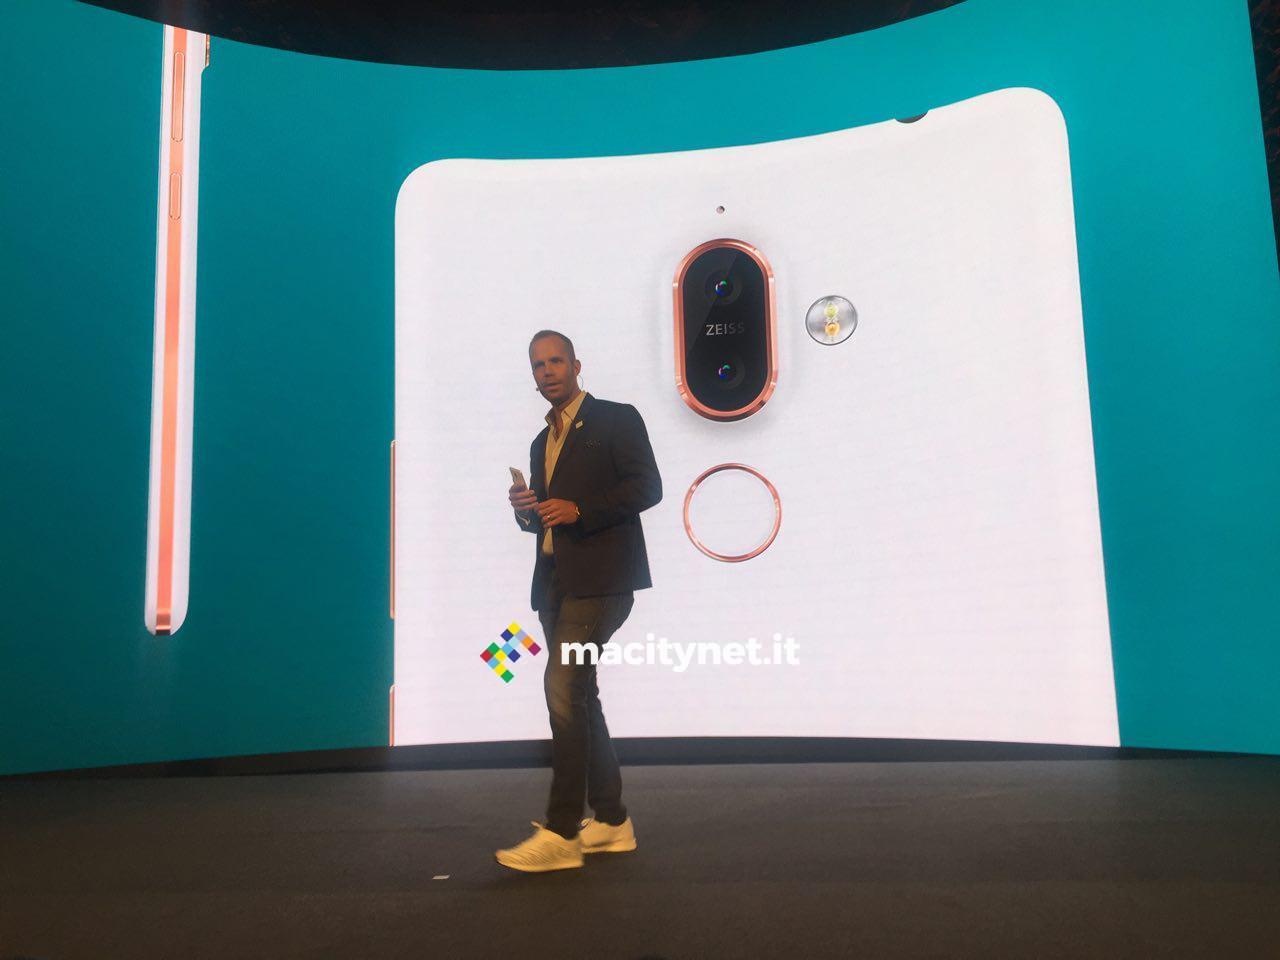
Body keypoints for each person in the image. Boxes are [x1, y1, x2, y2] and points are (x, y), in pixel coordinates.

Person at [496, 329, 662, 873]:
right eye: (538, 365)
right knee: (580, 695)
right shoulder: (538, 442)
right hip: (555, 584)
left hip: (603, 582)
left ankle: (563, 832)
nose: (547, 371)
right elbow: (543, 523)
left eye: (556, 361)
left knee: (562, 688)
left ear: (576, 365)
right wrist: (526, 510)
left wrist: (580, 510)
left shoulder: (616, 419)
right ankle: (612, 821)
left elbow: (648, 487)